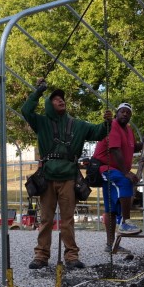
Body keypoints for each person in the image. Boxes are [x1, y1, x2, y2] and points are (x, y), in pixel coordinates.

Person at [22, 77, 112, 270]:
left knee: (67, 220)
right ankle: (41, 256)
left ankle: (71, 256)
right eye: (55, 99)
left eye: (62, 98)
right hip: (47, 178)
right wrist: (38, 91)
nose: (60, 100)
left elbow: (98, 132)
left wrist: (107, 123)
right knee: (45, 219)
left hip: (69, 178)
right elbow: (26, 111)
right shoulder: (42, 123)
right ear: (49, 104)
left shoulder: (78, 125)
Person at [93, 102, 143, 253]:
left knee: (111, 209)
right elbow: (114, 149)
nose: (125, 114)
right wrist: (126, 172)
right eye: (122, 111)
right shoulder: (113, 125)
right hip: (106, 168)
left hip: (115, 170)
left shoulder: (128, 130)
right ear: (117, 114)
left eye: (128, 112)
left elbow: (133, 146)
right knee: (124, 181)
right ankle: (126, 222)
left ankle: (110, 245)